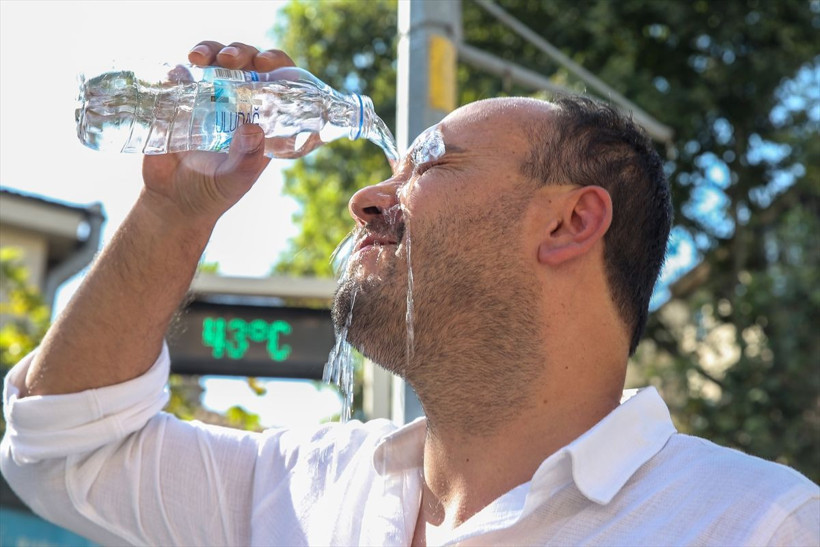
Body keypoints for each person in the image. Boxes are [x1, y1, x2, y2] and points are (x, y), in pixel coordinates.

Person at [1, 41, 817, 547]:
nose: (364, 198)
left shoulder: (756, 525)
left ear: (571, 221)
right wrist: (173, 213)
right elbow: (63, 449)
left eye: (427, 163)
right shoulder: (303, 488)